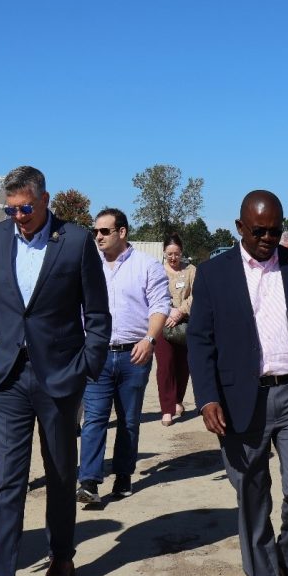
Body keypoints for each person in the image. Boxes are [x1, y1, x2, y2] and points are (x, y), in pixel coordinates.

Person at [0, 166, 110, 576]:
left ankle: (61, 557)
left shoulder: (77, 241)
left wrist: (85, 368)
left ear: (45, 200)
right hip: (6, 378)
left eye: (25, 208)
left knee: (61, 473)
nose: (18, 217)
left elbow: (97, 314)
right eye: (10, 210)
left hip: (59, 378)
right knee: (9, 481)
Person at [188, 190, 288, 576]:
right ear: (240, 227)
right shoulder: (214, 274)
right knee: (251, 496)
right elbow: (200, 341)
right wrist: (207, 398)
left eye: (275, 230)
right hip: (239, 401)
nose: (268, 238)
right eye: (259, 231)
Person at [76, 208, 169, 503]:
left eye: (104, 231)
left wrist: (150, 340)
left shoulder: (147, 266)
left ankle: (123, 475)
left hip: (134, 355)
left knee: (128, 419)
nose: (98, 236)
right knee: (94, 418)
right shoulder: (88, 266)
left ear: (122, 232)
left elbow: (160, 306)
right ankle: (89, 482)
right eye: (95, 232)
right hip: (97, 355)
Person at [154, 233, 196, 427]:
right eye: (169, 254)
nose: (173, 257)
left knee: (182, 365)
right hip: (163, 324)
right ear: (164, 252)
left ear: (182, 252)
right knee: (165, 365)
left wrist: (180, 311)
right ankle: (167, 409)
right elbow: (152, 294)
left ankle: (178, 399)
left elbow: (197, 294)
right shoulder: (157, 271)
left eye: (176, 253)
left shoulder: (191, 271)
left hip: (185, 324)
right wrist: (168, 311)